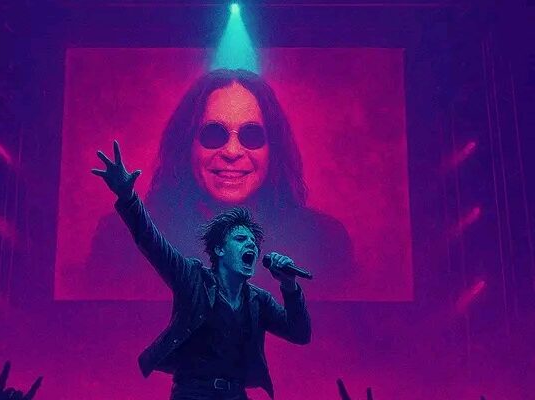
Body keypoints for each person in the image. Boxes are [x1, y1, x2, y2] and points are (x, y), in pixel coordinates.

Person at [85, 69, 353, 300]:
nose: (232, 151)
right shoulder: (121, 237)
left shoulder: (325, 241)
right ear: (187, 146)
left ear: (273, 150)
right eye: (214, 134)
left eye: (251, 135)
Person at [92, 141, 311, 399]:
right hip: (193, 393)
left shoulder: (258, 300)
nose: (251, 244)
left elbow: (300, 333)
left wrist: (289, 285)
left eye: (253, 242)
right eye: (241, 239)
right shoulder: (193, 280)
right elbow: (152, 243)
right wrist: (128, 198)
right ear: (219, 249)